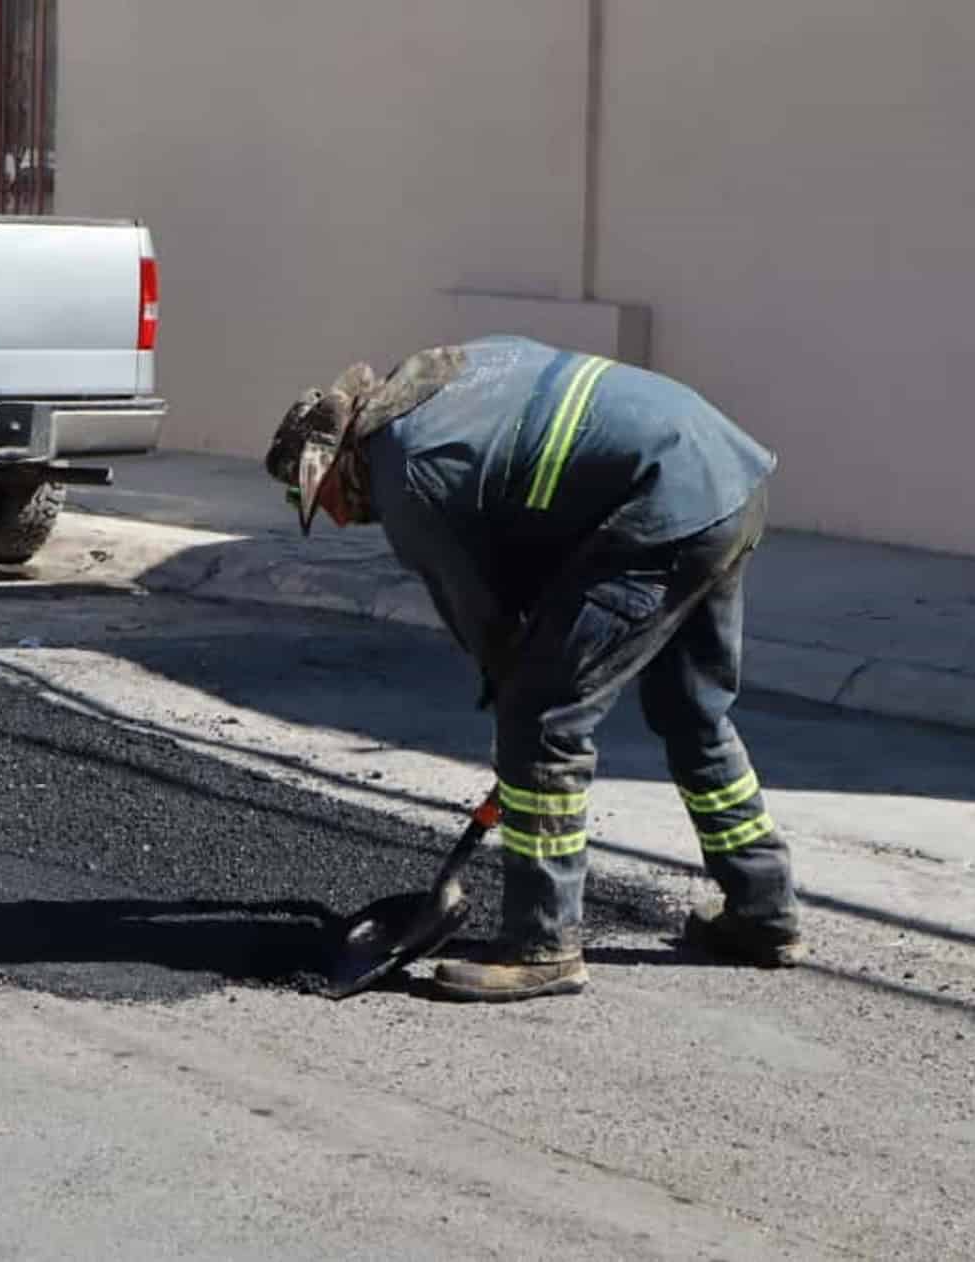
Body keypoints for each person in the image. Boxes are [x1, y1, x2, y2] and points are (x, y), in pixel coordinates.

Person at [266, 336, 805, 1002]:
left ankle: (541, 944)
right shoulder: (445, 382)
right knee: (691, 710)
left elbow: (484, 615)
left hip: (659, 507)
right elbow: (538, 505)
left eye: (324, 502)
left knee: (543, 721)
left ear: (338, 460)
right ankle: (762, 910)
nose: (342, 520)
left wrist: (515, 719)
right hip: (722, 480)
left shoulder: (404, 473)